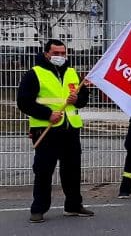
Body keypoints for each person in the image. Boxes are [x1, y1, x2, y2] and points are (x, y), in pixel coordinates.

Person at [17, 39, 93, 223]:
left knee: (72, 170)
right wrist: (47, 114)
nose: (60, 57)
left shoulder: (71, 72)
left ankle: (74, 205)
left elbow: (82, 98)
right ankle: (38, 209)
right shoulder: (34, 74)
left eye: (63, 53)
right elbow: (24, 102)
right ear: (46, 54)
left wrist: (79, 99)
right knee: (43, 171)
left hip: (70, 128)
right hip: (46, 129)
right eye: (56, 53)